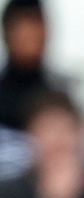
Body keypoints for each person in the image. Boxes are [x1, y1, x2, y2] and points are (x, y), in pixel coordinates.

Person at [0, 0, 59, 134]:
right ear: (7, 32)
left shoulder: (58, 96)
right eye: (24, 23)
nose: (33, 33)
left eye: (38, 23)